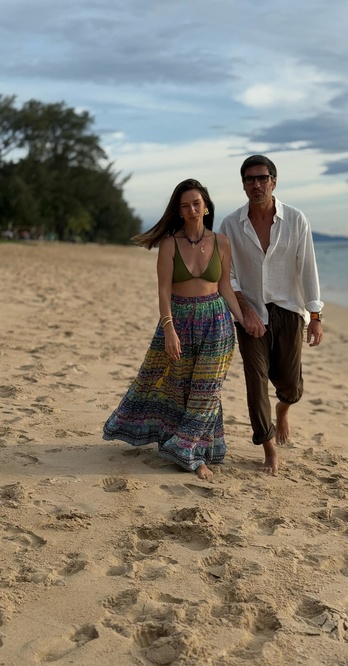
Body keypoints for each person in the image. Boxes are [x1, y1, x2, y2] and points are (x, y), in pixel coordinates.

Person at [103, 178, 245, 480]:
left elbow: (225, 287)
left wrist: (245, 321)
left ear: (206, 206)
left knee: (207, 389)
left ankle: (188, 450)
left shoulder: (222, 242)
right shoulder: (169, 244)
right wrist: (169, 330)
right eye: (185, 206)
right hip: (178, 319)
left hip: (217, 321)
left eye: (196, 203)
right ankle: (188, 446)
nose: (192, 210)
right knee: (177, 387)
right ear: (179, 211)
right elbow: (163, 291)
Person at [219, 155, 324, 476]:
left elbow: (307, 267)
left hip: (290, 311)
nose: (256, 184)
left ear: (274, 182)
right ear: (243, 185)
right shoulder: (230, 225)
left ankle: (283, 409)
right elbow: (227, 275)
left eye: (262, 178)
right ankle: (269, 449)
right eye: (249, 179)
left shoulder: (296, 219)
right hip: (249, 313)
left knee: (290, 385)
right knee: (256, 382)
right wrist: (245, 311)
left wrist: (315, 315)